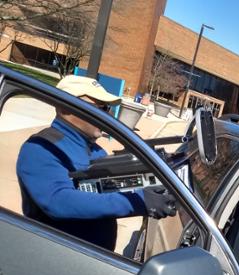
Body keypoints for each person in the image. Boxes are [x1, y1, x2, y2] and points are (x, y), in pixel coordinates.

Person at [16, 75, 176, 251]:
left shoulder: (97, 151)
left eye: (106, 109)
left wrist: (149, 187)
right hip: (55, 261)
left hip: (91, 264)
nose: (106, 115)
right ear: (65, 108)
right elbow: (59, 201)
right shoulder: (41, 148)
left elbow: (108, 192)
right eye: (99, 108)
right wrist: (137, 202)